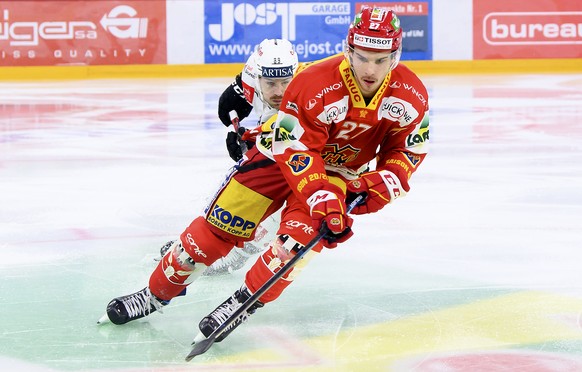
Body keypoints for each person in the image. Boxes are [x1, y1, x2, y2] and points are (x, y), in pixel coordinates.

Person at [99, 6, 429, 347]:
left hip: (335, 176)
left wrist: (383, 182)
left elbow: (408, 150)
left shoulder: (412, 95)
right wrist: (320, 194)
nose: (370, 69)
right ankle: (154, 294)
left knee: (292, 247)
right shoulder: (315, 82)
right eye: (362, 57)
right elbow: (293, 145)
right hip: (276, 160)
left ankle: (245, 301)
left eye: (380, 59)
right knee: (209, 236)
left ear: (396, 54)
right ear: (348, 50)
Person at [159, 38, 299, 276]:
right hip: (274, 125)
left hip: (300, 132)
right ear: (257, 77)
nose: (278, 91)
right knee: (243, 183)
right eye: (270, 83)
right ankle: (209, 237)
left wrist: (253, 138)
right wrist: (233, 132)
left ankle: (238, 253)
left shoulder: (303, 92)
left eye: (286, 82)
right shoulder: (249, 78)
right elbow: (227, 105)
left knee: (280, 189)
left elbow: (284, 137)